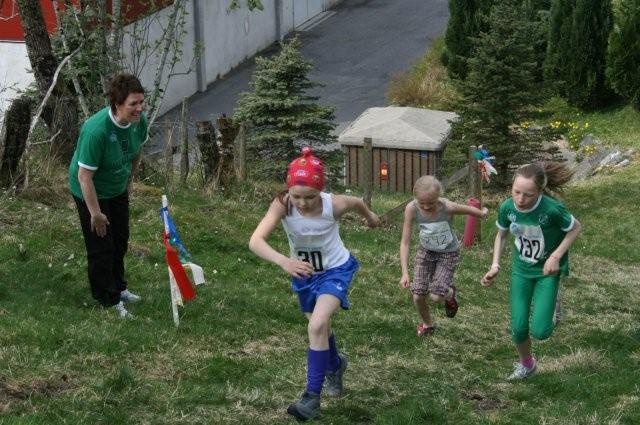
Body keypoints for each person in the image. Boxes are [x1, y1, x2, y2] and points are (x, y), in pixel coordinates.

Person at [248, 147, 380, 421]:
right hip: (305, 276)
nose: (303, 203)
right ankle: (335, 365)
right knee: (322, 329)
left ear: (321, 190)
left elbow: (357, 202)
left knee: (317, 325)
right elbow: (255, 241)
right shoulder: (282, 204)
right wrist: (284, 262)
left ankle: (311, 399)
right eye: (297, 196)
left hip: (336, 270)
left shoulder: (334, 205)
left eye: (310, 197)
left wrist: (370, 218)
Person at [481, 162, 581, 380]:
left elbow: (575, 228)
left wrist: (555, 256)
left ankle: (553, 304)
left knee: (541, 332)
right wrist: (495, 265)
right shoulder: (507, 208)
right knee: (518, 328)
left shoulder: (552, 209)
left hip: (547, 271)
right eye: (516, 192)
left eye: (528, 195)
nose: (520, 199)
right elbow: (501, 235)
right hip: (521, 270)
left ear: (540, 191)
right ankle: (527, 365)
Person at [68, 73, 147, 318]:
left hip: (117, 187)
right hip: (90, 190)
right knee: (101, 246)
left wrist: (128, 180)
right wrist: (95, 214)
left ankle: (119, 288)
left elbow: (137, 151)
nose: (139, 108)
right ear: (117, 104)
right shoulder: (96, 131)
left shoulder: (138, 121)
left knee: (120, 239)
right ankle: (107, 299)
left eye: (141, 102)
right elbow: (84, 177)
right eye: (133, 104)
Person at [399, 175, 488, 336]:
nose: (426, 207)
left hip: (448, 253)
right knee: (417, 295)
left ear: (439, 197)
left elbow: (468, 209)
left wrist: (482, 213)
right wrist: (405, 272)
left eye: (431, 203)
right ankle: (428, 325)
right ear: (415, 198)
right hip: (426, 252)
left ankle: (450, 293)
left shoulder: (447, 207)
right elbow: (405, 242)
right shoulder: (411, 209)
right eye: (422, 203)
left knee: (435, 296)